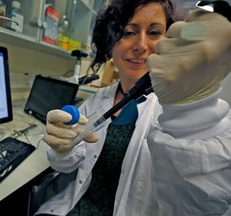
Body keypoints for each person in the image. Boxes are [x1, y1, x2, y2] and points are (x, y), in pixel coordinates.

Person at [35, 0, 231, 215]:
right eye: (128, 32)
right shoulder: (97, 99)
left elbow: (201, 205)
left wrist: (187, 111)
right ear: (110, 43)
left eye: (155, 32)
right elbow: (67, 165)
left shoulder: (185, 107)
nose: (141, 45)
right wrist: (62, 149)